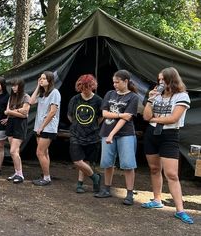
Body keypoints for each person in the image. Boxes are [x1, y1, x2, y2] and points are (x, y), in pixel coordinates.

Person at [141, 67, 193, 224]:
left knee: (172, 174)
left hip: (169, 135)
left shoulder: (182, 96)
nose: (160, 82)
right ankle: (157, 200)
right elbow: (145, 116)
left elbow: (173, 119)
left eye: (163, 79)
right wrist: (150, 99)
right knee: (155, 169)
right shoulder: (156, 95)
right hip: (152, 134)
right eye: (159, 80)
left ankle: (180, 210)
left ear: (172, 79)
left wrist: (154, 119)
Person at [94, 69, 139, 205]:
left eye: (117, 82)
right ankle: (107, 189)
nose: (115, 85)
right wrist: (120, 114)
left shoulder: (133, 97)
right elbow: (105, 113)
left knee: (127, 164)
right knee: (107, 162)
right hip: (106, 131)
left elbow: (127, 118)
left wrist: (112, 133)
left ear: (125, 81)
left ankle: (130, 193)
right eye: (113, 82)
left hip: (125, 134)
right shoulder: (110, 94)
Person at [67, 74, 103, 194]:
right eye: (83, 87)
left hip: (92, 135)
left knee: (85, 161)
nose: (85, 90)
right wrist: (78, 125)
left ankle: (80, 183)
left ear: (92, 86)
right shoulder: (75, 99)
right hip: (76, 134)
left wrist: (91, 126)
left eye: (88, 87)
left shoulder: (98, 100)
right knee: (77, 160)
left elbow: (101, 117)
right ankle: (95, 177)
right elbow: (70, 115)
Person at [29, 71, 61, 186]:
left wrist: (41, 127)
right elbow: (31, 101)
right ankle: (46, 175)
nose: (41, 80)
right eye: (40, 78)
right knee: (44, 152)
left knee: (40, 152)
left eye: (43, 79)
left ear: (50, 80)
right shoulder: (42, 93)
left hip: (48, 128)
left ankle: (47, 178)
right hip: (39, 127)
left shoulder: (55, 92)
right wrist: (38, 86)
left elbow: (53, 112)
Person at [4, 79, 30, 184]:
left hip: (20, 125)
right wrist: (18, 110)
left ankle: (20, 174)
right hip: (11, 123)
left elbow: (25, 114)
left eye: (15, 86)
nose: (13, 88)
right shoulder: (11, 97)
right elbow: (6, 111)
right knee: (15, 151)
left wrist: (11, 112)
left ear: (21, 86)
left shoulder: (26, 97)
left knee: (13, 151)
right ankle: (16, 172)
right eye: (12, 86)